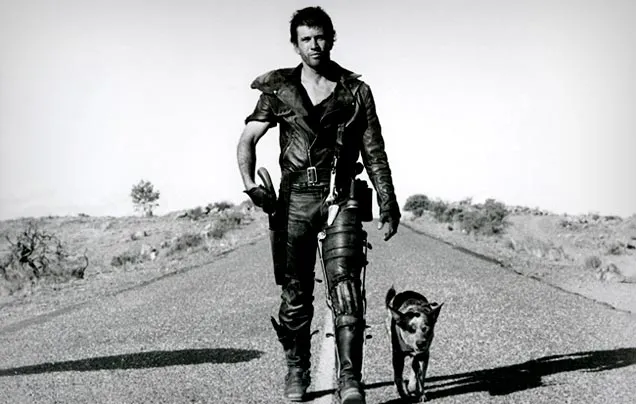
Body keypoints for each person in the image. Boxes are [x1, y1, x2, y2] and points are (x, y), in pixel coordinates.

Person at [236, 6, 400, 404]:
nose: (314, 45)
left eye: (320, 37)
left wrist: (388, 201)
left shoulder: (355, 91)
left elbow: (374, 151)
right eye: (306, 39)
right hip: (293, 201)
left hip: (340, 197)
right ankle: (297, 370)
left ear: (332, 39)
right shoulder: (278, 90)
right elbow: (248, 139)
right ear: (295, 45)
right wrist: (250, 184)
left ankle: (350, 379)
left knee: (347, 289)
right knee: (295, 294)